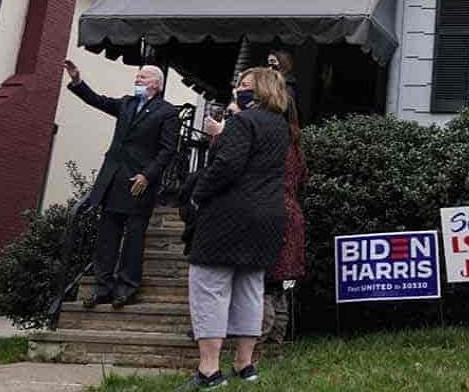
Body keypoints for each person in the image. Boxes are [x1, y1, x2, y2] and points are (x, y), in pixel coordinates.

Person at [182, 68, 289, 389]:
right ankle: (245, 365)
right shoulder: (280, 126)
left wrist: (198, 195)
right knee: (250, 290)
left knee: (210, 287)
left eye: (244, 86)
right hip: (268, 216)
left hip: (230, 215)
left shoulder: (243, 122)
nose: (237, 89)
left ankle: (209, 370)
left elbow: (227, 165)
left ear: (261, 91)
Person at [64, 60, 179, 308]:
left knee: (134, 237)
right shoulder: (127, 103)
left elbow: (168, 150)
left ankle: (127, 288)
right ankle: (103, 287)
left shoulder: (167, 112)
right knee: (107, 236)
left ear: (157, 85)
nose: (138, 80)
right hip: (113, 179)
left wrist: (148, 175)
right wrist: (77, 81)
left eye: (144, 77)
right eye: (137, 76)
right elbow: (98, 101)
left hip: (140, 183)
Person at [263, 93, 307, 343]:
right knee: (279, 285)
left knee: (264, 283)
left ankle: (258, 341)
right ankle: (276, 340)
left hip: (273, 212)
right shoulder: (296, 142)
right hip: (292, 214)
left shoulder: (274, 141)